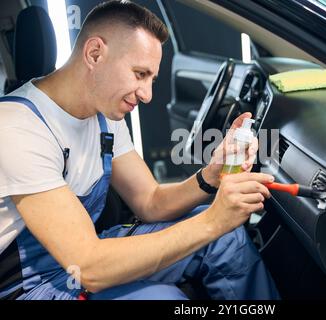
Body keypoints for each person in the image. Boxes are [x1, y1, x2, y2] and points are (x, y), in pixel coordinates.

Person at [0, 0, 279, 300]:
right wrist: (213, 220)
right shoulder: (16, 127)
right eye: (139, 74)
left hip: (81, 258)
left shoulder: (104, 114)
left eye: (152, 79)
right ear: (95, 53)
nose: (147, 95)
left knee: (227, 238)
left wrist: (210, 176)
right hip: (29, 287)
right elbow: (88, 266)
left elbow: (149, 200)